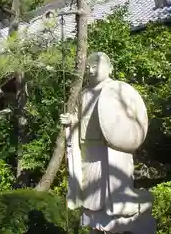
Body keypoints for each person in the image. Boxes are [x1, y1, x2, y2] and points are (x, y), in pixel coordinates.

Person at [60, 52, 155, 233]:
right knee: (91, 186)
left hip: (111, 149)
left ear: (110, 68)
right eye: (88, 67)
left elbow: (129, 118)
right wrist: (71, 121)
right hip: (89, 148)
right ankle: (96, 214)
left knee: (113, 184)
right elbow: (79, 120)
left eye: (96, 66)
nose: (91, 70)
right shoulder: (84, 94)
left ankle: (120, 211)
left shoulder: (116, 89)